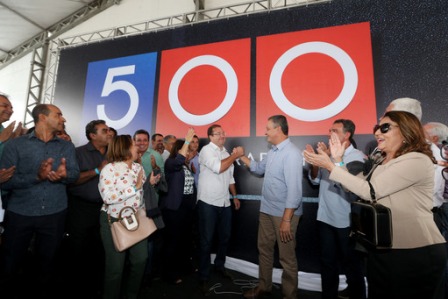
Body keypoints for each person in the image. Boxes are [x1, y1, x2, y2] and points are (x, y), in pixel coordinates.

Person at [304, 111, 446, 299]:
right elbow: (354, 185)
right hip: (383, 249)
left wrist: (330, 166)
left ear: (405, 131)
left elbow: (370, 191)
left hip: (413, 253)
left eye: (385, 127)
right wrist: (337, 160)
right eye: (376, 128)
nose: (378, 132)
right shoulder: (382, 160)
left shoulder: (416, 160)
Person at [0, 104, 80, 298]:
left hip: (54, 214)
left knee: (47, 265)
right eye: (58, 115)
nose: (63, 119)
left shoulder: (67, 146)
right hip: (20, 214)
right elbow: (5, 183)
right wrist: (36, 177)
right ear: (42, 117)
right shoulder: (15, 145)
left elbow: (74, 174)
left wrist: (65, 175)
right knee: (10, 264)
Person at [239, 115, 303, 299]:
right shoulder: (273, 151)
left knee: (287, 257)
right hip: (266, 210)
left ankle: (290, 295)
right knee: (264, 250)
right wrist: (241, 156)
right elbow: (258, 168)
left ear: (278, 129)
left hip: (284, 215)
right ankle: (264, 287)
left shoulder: (291, 154)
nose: (265, 131)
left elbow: (295, 192)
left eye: (268, 128)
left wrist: (286, 219)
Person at [305, 119, 366, 299]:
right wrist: (316, 162)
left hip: (346, 221)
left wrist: (330, 163)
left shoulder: (357, 157)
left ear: (347, 135)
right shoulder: (329, 155)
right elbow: (315, 181)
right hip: (324, 217)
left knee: (352, 265)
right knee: (327, 262)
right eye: (330, 129)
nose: (329, 133)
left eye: (335, 130)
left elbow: (353, 188)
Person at [98, 134, 159, 299]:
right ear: (124, 148)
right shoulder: (109, 169)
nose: (137, 147)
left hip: (136, 219)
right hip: (114, 221)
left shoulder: (138, 168)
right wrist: (135, 187)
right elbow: (108, 197)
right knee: (115, 268)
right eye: (133, 144)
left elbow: (141, 192)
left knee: (141, 260)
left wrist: (149, 184)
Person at [66, 119, 113, 297]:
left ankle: (97, 289)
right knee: (79, 253)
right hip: (81, 211)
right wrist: (97, 170)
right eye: (104, 130)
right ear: (92, 135)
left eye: (108, 130)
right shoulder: (78, 152)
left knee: (101, 252)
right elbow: (71, 180)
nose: (109, 133)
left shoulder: (113, 153)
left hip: (106, 210)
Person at [197, 124, 242, 295]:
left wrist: (235, 196)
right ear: (210, 136)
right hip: (208, 201)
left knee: (225, 237)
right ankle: (203, 277)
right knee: (206, 240)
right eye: (219, 134)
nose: (223, 136)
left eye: (224, 133)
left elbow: (230, 177)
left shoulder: (225, 153)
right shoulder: (206, 151)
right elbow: (219, 168)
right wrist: (235, 155)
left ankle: (220, 266)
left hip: (225, 202)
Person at [159, 128, 196, 284]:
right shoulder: (171, 163)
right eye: (186, 150)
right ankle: (168, 274)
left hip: (186, 208)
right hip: (174, 209)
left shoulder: (185, 166)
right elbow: (179, 160)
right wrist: (187, 141)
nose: (188, 153)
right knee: (172, 242)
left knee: (184, 240)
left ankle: (182, 267)